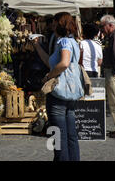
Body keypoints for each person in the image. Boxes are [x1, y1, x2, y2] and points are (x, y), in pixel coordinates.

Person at [41, 12, 82, 161]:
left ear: (59, 24)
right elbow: (52, 61)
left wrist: (49, 76)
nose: (52, 25)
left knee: (57, 135)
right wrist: (37, 46)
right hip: (70, 92)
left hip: (58, 92)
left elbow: (64, 63)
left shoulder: (63, 42)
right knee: (71, 134)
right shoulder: (73, 42)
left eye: (54, 22)